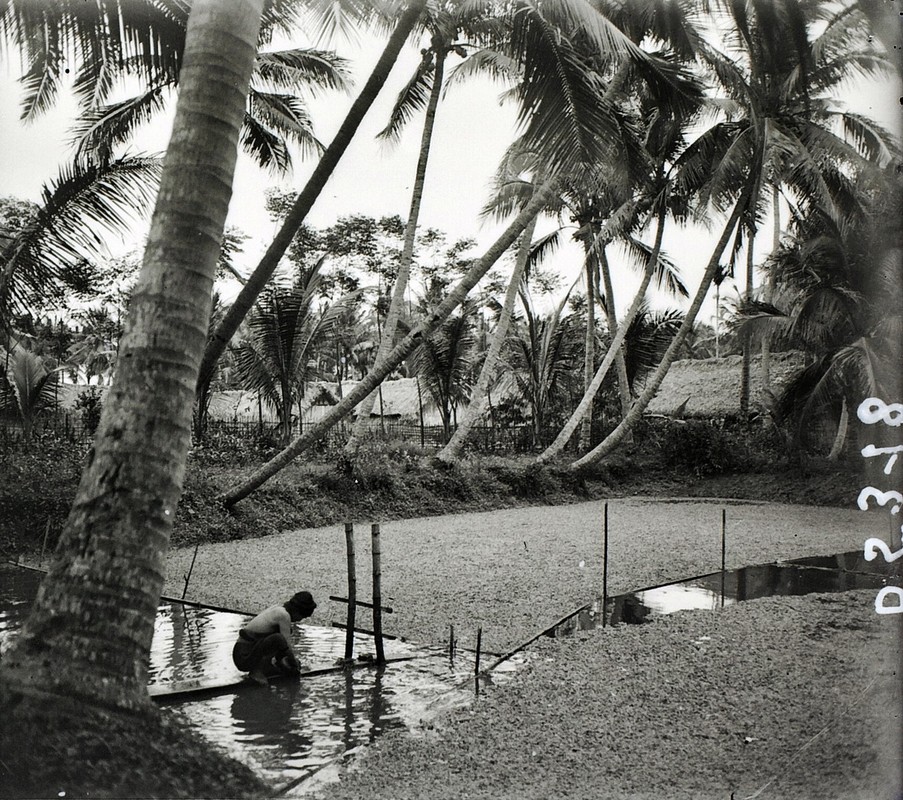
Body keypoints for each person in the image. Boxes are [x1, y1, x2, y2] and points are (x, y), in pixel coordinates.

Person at [232, 591, 317, 685]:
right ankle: (257, 672)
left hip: (245, 653)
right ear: (297, 611)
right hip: (243, 657)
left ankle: (267, 666)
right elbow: (286, 645)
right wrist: (294, 664)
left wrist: (283, 661)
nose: (299, 620)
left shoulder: (280, 609)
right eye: (302, 617)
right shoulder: (284, 615)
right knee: (278, 638)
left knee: (284, 634)